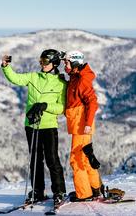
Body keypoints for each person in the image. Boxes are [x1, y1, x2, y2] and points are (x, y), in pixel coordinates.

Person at [1, 49, 67, 205]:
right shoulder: (33, 77)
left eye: (45, 62)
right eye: (41, 61)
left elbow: (61, 108)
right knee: (35, 160)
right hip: (31, 125)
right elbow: (15, 78)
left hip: (49, 126)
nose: (42, 64)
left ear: (54, 64)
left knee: (52, 159)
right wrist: (6, 66)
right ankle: (37, 192)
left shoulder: (61, 83)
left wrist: (44, 106)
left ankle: (59, 192)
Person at [63, 50, 102, 202]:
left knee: (76, 158)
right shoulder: (75, 77)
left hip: (81, 125)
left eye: (66, 63)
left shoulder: (81, 80)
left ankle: (84, 193)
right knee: (85, 157)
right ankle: (95, 188)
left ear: (74, 63)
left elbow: (92, 102)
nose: (64, 66)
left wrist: (87, 124)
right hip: (78, 124)